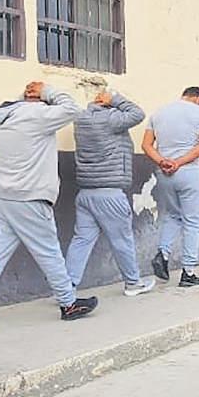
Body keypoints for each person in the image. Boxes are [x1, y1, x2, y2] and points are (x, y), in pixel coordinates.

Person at [0, 82, 99, 327]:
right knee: (49, 253)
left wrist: (31, 95)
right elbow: (72, 108)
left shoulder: (5, 117)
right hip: (30, 197)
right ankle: (69, 303)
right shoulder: (38, 115)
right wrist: (48, 90)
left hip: (2, 196)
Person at [65, 90, 157, 296]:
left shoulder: (80, 119)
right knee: (122, 240)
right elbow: (138, 113)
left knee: (81, 241)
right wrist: (115, 99)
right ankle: (133, 283)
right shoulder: (111, 119)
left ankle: (66, 287)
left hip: (86, 192)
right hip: (110, 193)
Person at [144, 87, 199, 287]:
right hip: (188, 171)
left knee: (173, 215)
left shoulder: (158, 113)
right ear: (198, 99)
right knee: (193, 222)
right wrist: (179, 162)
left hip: (164, 174)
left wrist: (163, 161)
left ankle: (163, 253)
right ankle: (188, 272)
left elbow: (146, 145)